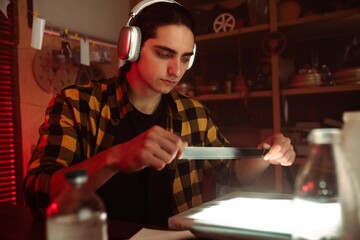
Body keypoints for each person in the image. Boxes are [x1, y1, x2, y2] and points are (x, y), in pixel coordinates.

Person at [23, 0, 296, 227]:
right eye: (164, 54)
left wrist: (265, 155)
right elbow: (38, 191)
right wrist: (115, 157)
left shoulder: (194, 113)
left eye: (185, 58)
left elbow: (233, 173)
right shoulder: (77, 104)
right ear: (131, 47)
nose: (176, 70)